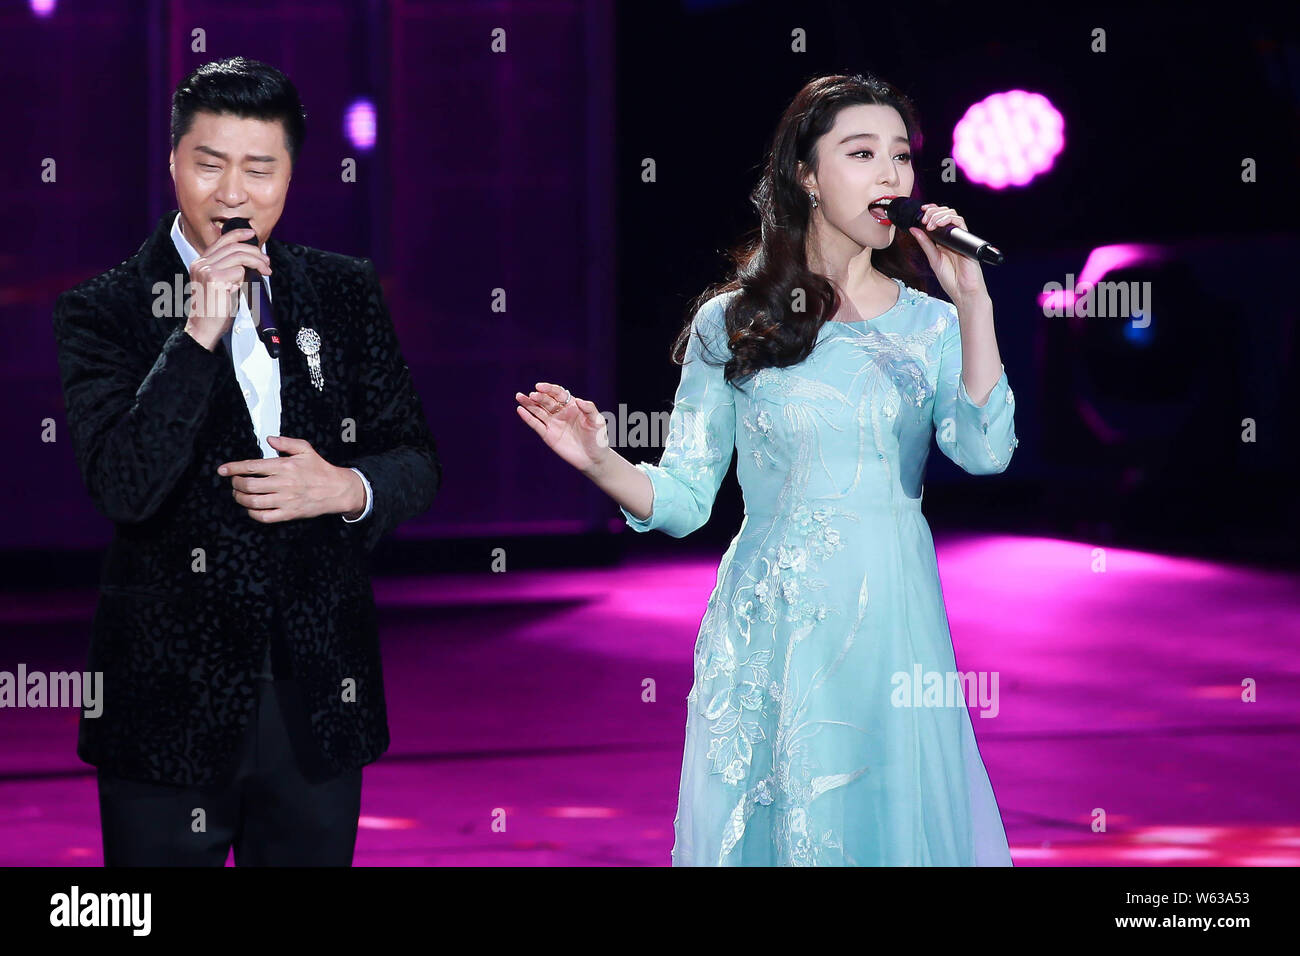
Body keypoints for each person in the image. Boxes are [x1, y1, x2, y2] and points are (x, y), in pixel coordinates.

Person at [516, 73, 1017, 865]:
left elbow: (986, 454)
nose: (891, 177)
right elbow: (682, 499)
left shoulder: (933, 325)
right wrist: (599, 458)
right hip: (772, 623)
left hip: (894, 621)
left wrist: (975, 306)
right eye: (862, 154)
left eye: (901, 157)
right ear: (809, 178)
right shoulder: (734, 319)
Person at [51, 56, 441, 865]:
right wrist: (196, 334)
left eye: (259, 168)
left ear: (291, 174)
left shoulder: (339, 291)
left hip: (315, 698)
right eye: (209, 163)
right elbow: (124, 484)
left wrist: (345, 486)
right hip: (166, 706)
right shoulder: (105, 309)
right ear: (172, 165)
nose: (233, 192)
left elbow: (415, 457)